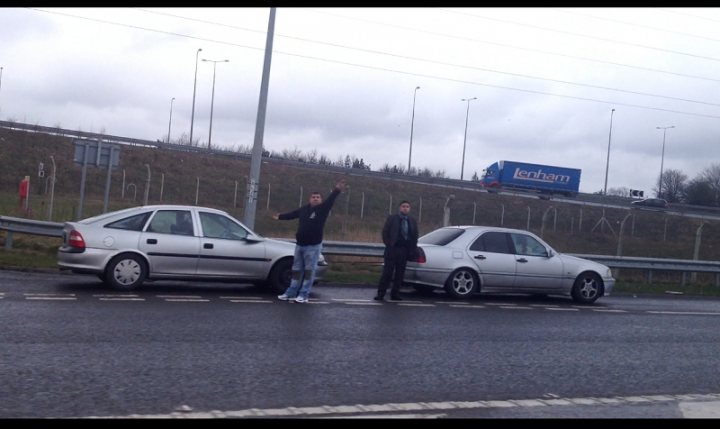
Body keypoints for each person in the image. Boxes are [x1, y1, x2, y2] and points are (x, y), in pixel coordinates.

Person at [274, 178, 347, 303]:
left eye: (318, 197)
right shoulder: (304, 209)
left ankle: (304, 295)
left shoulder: (323, 209)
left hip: (312, 247)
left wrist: (337, 190)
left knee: (308, 271)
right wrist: (280, 217)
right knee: (296, 270)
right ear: (310, 198)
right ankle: (291, 292)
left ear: (321, 200)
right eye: (313, 197)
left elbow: (331, 200)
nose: (315, 198)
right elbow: (292, 214)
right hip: (300, 246)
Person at [374, 200, 419, 301]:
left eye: (407, 206)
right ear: (400, 208)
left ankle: (395, 294)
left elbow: (415, 235)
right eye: (403, 206)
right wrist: (389, 244)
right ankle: (381, 293)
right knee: (387, 272)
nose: (405, 208)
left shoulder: (412, 220)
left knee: (400, 274)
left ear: (409, 208)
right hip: (392, 249)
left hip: (404, 250)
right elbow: (385, 232)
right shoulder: (392, 218)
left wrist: (412, 249)